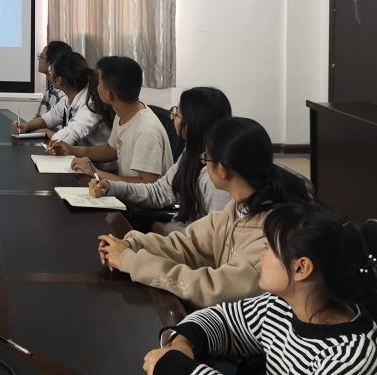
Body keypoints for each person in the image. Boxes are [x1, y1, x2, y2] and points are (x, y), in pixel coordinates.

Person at [142, 202, 377, 375]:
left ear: (301, 268)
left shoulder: (351, 360)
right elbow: (223, 319)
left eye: (270, 249)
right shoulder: (282, 305)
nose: (262, 256)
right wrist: (184, 343)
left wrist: (180, 369)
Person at [97, 116, 313, 308]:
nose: (203, 164)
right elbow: (186, 245)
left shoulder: (272, 236)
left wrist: (131, 261)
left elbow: (211, 289)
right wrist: (132, 244)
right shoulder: (239, 209)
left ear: (222, 170)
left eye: (206, 159)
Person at [89, 86, 233, 232]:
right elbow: (159, 192)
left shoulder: (216, 176)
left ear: (190, 125)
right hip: (178, 234)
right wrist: (112, 187)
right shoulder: (192, 152)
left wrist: (164, 231)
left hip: (184, 241)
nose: (174, 118)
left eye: (177, 114)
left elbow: (216, 237)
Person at [50, 55, 173, 183]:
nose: (95, 87)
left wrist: (96, 173)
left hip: (139, 195)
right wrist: (71, 150)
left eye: (99, 83)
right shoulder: (122, 112)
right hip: (125, 190)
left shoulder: (146, 131)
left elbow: (148, 184)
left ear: (110, 94)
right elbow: (111, 150)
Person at [37, 52, 112, 148]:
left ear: (59, 80)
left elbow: (68, 136)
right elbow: (49, 118)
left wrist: (49, 133)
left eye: (51, 71)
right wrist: (25, 126)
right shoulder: (68, 99)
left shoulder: (90, 103)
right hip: (82, 153)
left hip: (96, 157)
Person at [11, 40, 73, 135]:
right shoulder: (51, 90)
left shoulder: (64, 94)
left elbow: (62, 132)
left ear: (52, 63)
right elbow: (45, 119)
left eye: (41, 57)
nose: (39, 59)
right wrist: (25, 126)